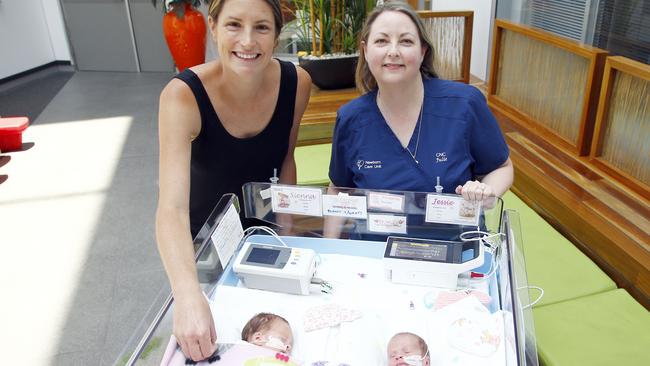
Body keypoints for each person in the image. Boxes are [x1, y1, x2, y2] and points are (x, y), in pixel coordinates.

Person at [155, 0, 311, 361]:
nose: (247, 41)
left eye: (261, 27)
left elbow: (286, 159)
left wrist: (288, 235)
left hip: (266, 239)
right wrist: (187, 292)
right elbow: (171, 208)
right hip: (204, 251)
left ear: (276, 34)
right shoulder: (182, 95)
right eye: (233, 25)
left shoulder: (296, 82)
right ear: (213, 26)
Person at [329, 1, 513, 203]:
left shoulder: (465, 103)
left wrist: (486, 192)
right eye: (381, 41)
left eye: (406, 41)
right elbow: (339, 189)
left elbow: (502, 167)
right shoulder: (351, 118)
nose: (393, 51)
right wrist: (330, 236)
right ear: (365, 50)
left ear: (423, 51)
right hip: (375, 234)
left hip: (454, 234)